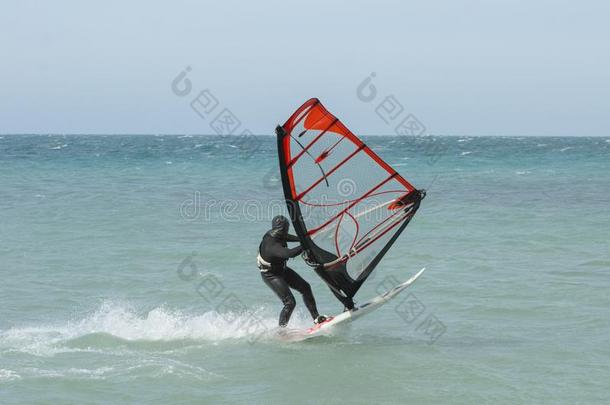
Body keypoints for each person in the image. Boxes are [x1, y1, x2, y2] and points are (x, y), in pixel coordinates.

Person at [257, 215, 327, 327]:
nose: (287, 231)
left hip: (281, 269)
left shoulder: (274, 233)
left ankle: (316, 318)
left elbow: (286, 237)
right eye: (286, 228)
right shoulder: (272, 246)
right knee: (290, 303)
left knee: (305, 287)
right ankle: (281, 330)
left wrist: (301, 239)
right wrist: (305, 244)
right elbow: (289, 254)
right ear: (282, 229)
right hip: (271, 275)